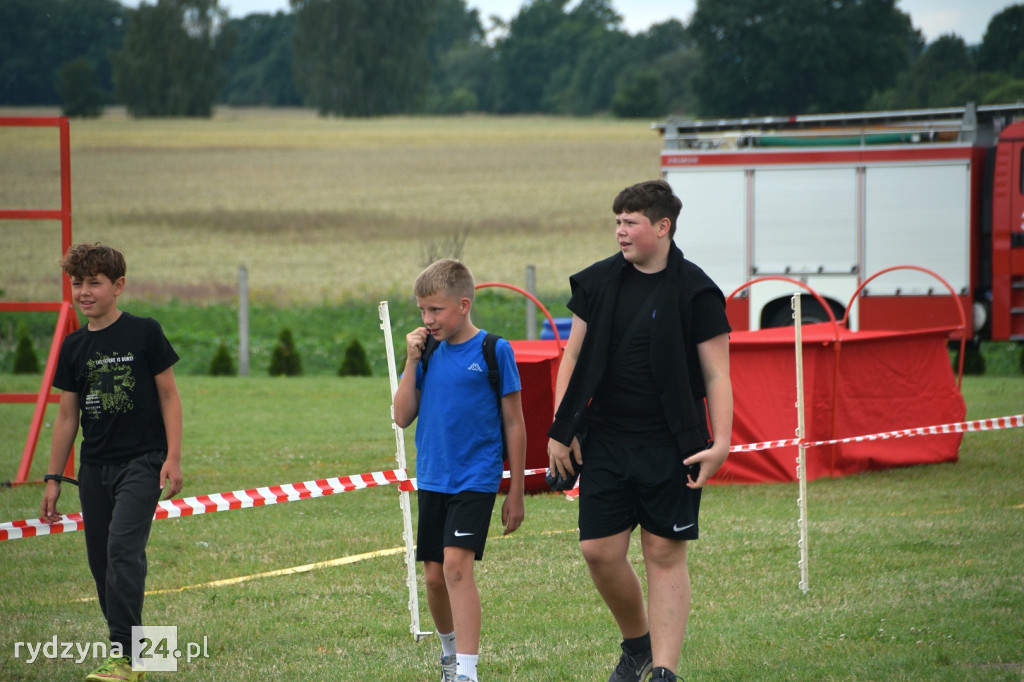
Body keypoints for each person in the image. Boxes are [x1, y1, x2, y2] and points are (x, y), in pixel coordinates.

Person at [547, 180, 733, 682]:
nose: (620, 231)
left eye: (629, 222)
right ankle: (638, 643)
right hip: (605, 437)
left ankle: (664, 671)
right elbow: (573, 356)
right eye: (617, 222)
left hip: (673, 442)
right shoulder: (599, 283)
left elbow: (717, 374)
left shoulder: (697, 291)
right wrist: (563, 427)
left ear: (662, 226)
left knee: (663, 552)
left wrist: (722, 442)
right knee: (599, 551)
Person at [40, 243, 183, 682]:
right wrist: (54, 477)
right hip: (93, 469)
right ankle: (142, 650)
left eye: (94, 283)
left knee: (123, 552)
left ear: (118, 286)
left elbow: (169, 396)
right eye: (77, 283)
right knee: (102, 562)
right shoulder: (74, 345)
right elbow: (67, 416)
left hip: (143, 462)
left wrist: (173, 458)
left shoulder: (145, 332)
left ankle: (125, 657)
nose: (84, 291)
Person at [393, 259, 526, 682]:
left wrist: (516, 489)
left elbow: (514, 423)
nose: (427, 320)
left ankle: (468, 671)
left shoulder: (494, 350)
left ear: (464, 305)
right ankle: (449, 655)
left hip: (476, 478)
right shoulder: (426, 353)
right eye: (421, 311)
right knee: (433, 579)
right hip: (433, 476)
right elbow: (401, 416)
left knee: (455, 566)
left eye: (436, 310)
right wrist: (411, 361)